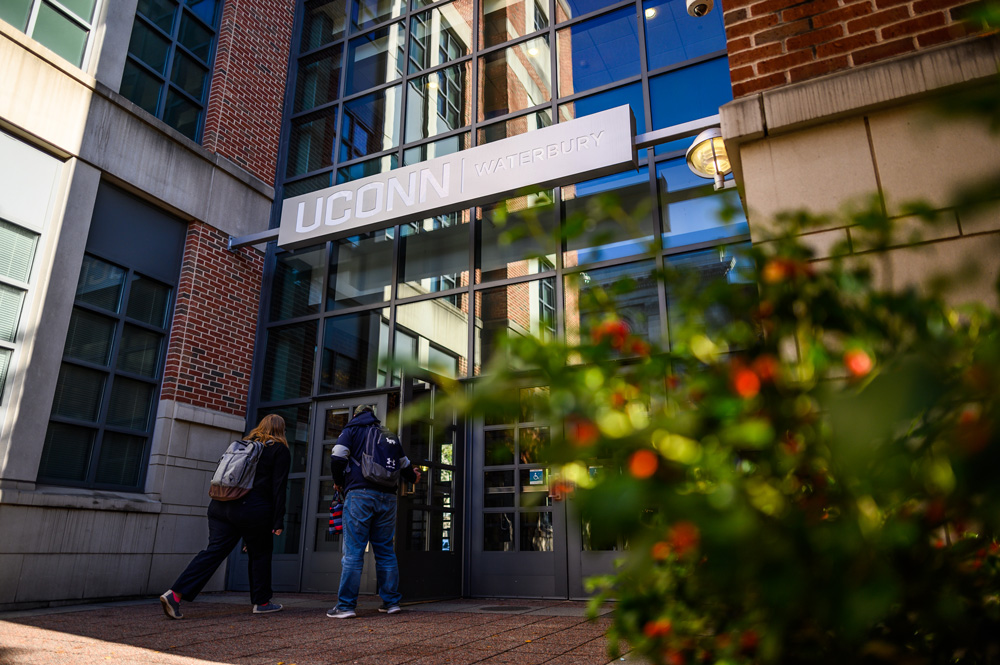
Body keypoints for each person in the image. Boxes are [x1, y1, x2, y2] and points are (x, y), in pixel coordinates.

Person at [159, 414, 291, 619]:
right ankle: (262, 602)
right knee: (260, 554)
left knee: (213, 552)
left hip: (221, 506)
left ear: (260, 426)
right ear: (281, 430)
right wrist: (277, 521)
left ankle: (175, 594)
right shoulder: (279, 449)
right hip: (253, 509)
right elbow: (279, 488)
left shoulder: (242, 445)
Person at [326, 405, 421, 618]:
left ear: (356, 415)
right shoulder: (389, 436)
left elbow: (338, 457)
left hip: (360, 494)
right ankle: (391, 602)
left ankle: (345, 606)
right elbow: (405, 465)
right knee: (385, 550)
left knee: (353, 552)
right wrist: (413, 477)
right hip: (387, 497)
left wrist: (339, 483)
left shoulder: (352, 429)